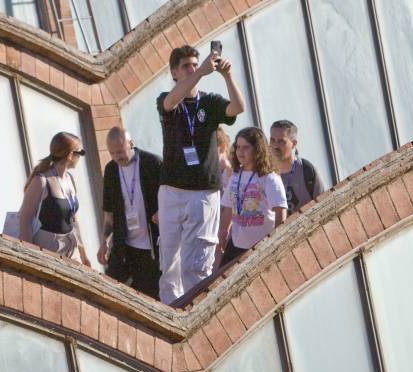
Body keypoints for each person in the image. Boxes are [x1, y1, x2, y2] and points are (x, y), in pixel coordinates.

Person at [156, 45, 245, 304]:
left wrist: (227, 76)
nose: (192, 69)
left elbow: (237, 107)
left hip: (203, 193)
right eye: (186, 66)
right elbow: (170, 102)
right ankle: (169, 310)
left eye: (195, 64)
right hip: (172, 189)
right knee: (169, 262)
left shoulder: (209, 101)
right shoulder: (167, 98)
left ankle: (195, 310)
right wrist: (201, 73)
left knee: (196, 264)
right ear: (174, 71)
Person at [97, 126, 162, 299]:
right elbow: (109, 212)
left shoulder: (152, 163)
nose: (117, 157)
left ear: (131, 143)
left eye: (120, 151)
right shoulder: (111, 170)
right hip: (124, 245)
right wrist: (104, 242)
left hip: (151, 247)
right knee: (109, 291)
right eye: (112, 153)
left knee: (150, 295)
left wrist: (162, 213)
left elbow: (171, 199)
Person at [18, 132, 92, 266]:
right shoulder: (41, 181)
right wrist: (29, 256)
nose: (80, 157)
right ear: (70, 155)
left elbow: (74, 220)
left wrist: (83, 255)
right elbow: (24, 218)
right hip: (49, 249)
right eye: (80, 152)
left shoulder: (70, 179)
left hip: (71, 248)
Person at [217, 127, 288, 267]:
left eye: (246, 147)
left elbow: (280, 211)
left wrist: (276, 241)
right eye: (238, 147)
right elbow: (229, 209)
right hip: (236, 245)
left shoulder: (269, 177)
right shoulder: (235, 175)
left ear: (258, 150)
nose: (240, 152)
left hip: (261, 248)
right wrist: (222, 234)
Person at [270, 119, 327, 215]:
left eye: (281, 141)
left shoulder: (307, 171)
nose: (275, 145)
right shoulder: (264, 173)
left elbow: (325, 204)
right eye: (272, 140)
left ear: (294, 144)